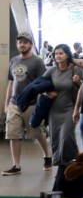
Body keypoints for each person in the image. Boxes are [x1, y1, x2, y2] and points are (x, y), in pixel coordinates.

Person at [3, 32, 52, 175]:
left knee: (36, 133)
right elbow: (11, 83)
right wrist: (6, 104)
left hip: (31, 104)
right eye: (20, 42)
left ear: (31, 44)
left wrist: (38, 105)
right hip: (14, 103)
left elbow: (42, 83)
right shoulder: (13, 61)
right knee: (13, 134)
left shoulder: (37, 61)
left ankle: (47, 155)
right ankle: (16, 166)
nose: (22, 44)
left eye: (25, 42)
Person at [43, 44, 83, 167]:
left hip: (70, 109)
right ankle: (61, 167)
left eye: (61, 53)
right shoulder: (51, 71)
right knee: (55, 140)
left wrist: (79, 81)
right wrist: (47, 92)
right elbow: (38, 86)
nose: (58, 56)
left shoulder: (75, 70)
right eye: (56, 54)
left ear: (67, 55)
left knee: (66, 137)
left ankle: (72, 163)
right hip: (54, 111)